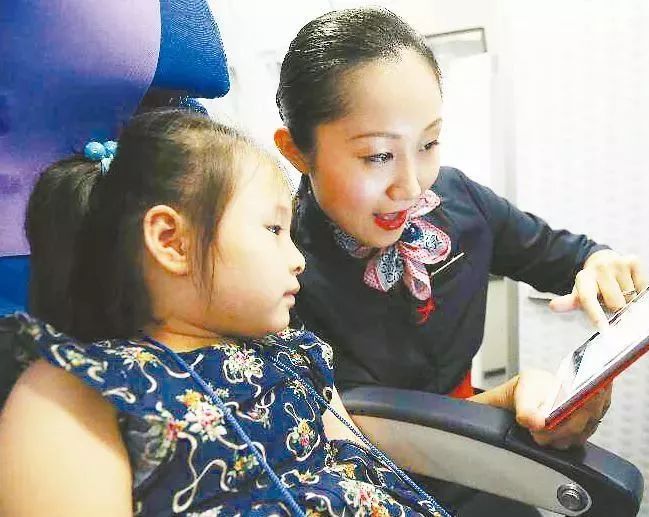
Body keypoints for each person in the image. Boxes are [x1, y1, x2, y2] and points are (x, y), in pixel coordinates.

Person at [274, 8, 649, 513]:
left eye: (428, 143)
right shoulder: (279, 268)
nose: (412, 187)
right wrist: (503, 404)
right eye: (378, 156)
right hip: (375, 488)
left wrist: (600, 264)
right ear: (298, 151)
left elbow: (561, 254)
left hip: (490, 468)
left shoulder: (457, 199)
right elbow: (346, 429)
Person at [0, 109, 450, 516]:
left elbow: (372, 469)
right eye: (273, 229)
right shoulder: (80, 389)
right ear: (173, 242)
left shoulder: (294, 355)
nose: (298, 259)